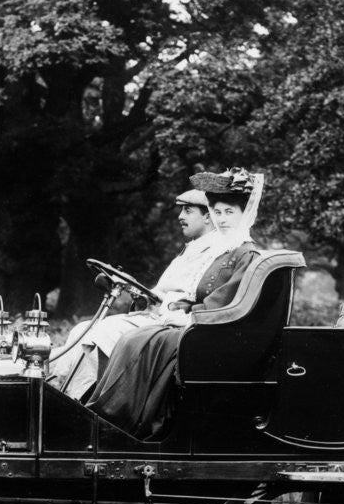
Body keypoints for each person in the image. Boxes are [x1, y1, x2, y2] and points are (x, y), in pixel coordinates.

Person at [86, 168, 264, 439]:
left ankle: (116, 418)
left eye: (230, 213)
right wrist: (183, 309)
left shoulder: (246, 253)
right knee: (132, 337)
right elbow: (200, 293)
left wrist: (191, 317)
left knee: (137, 339)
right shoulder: (224, 251)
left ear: (245, 215)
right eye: (217, 213)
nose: (223, 219)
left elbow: (230, 302)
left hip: (213, 332)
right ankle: (103, 412)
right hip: (200, 325)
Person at [50, 188, 245, 400]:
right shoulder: (193, 249)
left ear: (207, 217)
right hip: (160, 316)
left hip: (176, 323)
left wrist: (164, 305)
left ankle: (84, 400)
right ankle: (64, 392)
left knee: (101, 332)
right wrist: (139, 291)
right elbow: (165, 291)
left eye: (188, 211)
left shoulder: (220, 251)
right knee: (82, 329)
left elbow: (193, 297)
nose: (180, 217)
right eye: (219, 212)